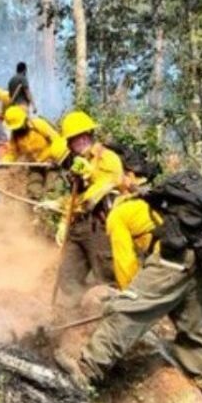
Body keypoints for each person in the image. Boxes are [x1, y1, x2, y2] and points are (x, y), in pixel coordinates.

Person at [55, 189, 202, 403]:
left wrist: (125, 297)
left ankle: (87, 369)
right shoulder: (151, 210)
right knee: (197, 329)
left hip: (174, 258)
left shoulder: (118, 216)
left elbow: (125, 265)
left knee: (129, 310)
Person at [47, 111, 125, 308]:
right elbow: (76, 198)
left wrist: (89, 176)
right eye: (75, 139)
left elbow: (104, 187)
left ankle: (108, 316)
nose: (80, 141)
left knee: (106, 276)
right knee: (67, 276)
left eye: (83, 136)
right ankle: (74, 315)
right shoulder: (77, 165)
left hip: (99, 224)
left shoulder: (107, 157)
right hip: (78, 227)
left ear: (90, 135)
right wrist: (64, 218)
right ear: (70, 144)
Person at [0, 105, 69, 199]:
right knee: (33, 189)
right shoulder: (15, 137)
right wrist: (4, 161)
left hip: (51, 161)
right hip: (35, 165)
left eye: (19, 126)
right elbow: (12, 153)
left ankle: (52, 203)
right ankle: (37, 204)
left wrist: (55, 157)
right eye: (15, 128)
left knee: (52, 186)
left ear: (25, 120)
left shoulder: (38, 124)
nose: (17, 129)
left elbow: (56, 139)